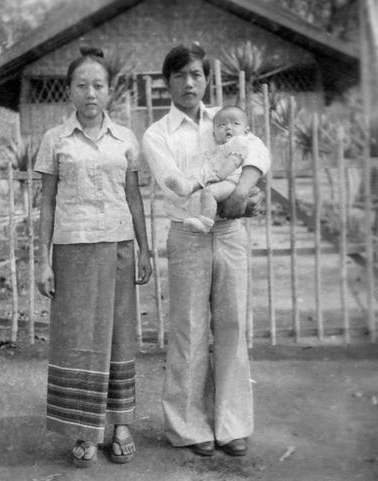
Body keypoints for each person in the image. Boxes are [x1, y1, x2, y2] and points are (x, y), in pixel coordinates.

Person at [142, 44, 269, 458]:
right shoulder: (157, 134)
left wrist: (244, 193)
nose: (189, 82)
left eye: (196, 74)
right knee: (189, 329)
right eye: (180, 75)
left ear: (206, 79)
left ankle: (231, 425)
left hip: (230, 232)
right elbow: (172, 182)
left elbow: (258, 156)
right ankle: (189, 426)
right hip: (189, 232)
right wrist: (216, 194)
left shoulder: (228, 121)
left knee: (232, 325)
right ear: (168, 83)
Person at [35, 46, 152, 468]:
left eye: (97, 85)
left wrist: (144, 248)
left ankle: (120, 424)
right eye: (81, 85)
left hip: (119, 246)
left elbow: (134, 197)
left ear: (109, 91)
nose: (90, 93)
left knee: (120, 332)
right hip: (72, 250)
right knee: (78, 339)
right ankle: (84, 430)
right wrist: (43, 261)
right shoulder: (55, 140)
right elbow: (46, 204)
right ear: (69, 91)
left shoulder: (126, 139)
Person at [164, 106, 269, 233]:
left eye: (235, 124)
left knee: (209, 193)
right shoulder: (219, 148)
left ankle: (205, 222)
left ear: (246, 131)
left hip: (232, 180)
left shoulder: (239, 142)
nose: (228, 127)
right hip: (220, 176)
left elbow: (233, 161)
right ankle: (187, 186)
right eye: (221, 125)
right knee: (200, 171)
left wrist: (219, 177)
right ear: (214, 134)